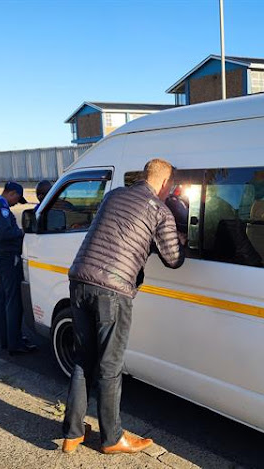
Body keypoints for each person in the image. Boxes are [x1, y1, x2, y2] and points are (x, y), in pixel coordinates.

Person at [62, 158, 185, 455]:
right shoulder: (160, 210)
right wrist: (181, 237)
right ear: (165, 183)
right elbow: (174, 259)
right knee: (110, 366)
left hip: (79, 280)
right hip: (112, 291)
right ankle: (112, 438)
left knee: (83, 359)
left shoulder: (113, 195)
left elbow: (117, 231)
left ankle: (72, 433)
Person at [0, 181, 38, 356]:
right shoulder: (1, 207)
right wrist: (22, 233)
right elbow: (4, 233)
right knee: (13, 301)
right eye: (16, 199)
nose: (15, 203)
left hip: (0, 257)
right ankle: (14, 343)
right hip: (8, 258)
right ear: (12, 193)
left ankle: (7, 339)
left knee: (4, 299)